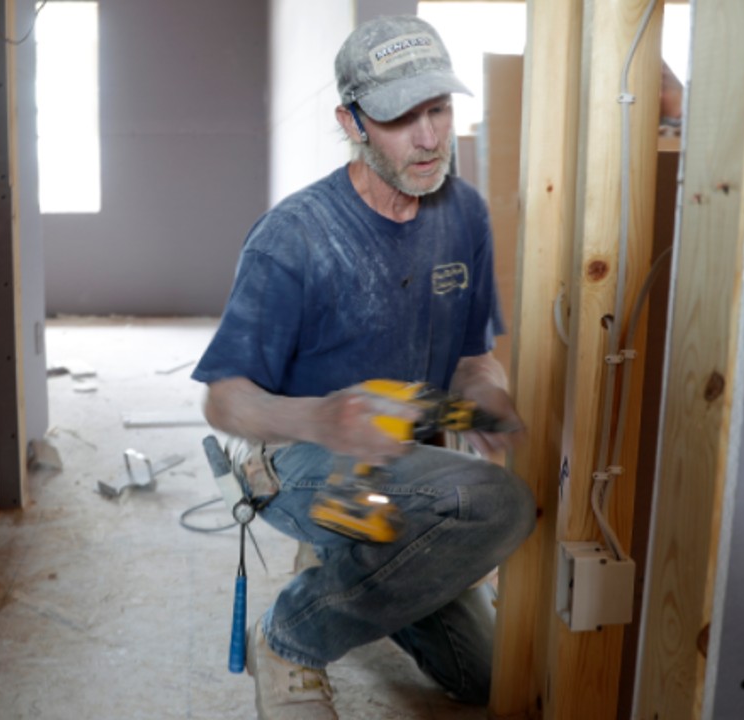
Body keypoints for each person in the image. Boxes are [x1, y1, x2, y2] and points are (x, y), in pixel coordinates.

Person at [191, 15, 537, 720]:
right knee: (492, 505)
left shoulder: (463, 214)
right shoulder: (294, 237)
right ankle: (291, 637)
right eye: (399, 117)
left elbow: (472, 356)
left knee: (488, 677)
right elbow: (223, 401)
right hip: (297, 461)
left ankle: (353, 562)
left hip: (405, 469)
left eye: (438, 109)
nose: (430, 137)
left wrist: (485, 397)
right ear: (351, 120)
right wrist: (318, 417)